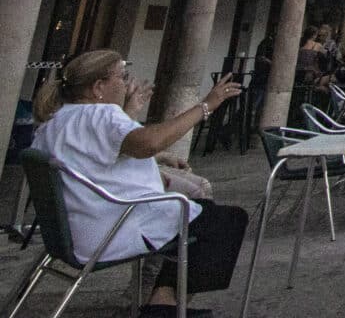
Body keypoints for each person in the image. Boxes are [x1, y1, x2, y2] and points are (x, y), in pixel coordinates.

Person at [32, 50, 248, 317]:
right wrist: (206, 106)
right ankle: (163, 307)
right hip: (110, 229)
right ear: (98, 87)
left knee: (202, 212)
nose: (126, 82)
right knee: (228, 222)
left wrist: (151, 169)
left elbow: (97, 162)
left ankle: (162, 303)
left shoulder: (55, 122)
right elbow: (148, 143)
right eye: (121, 77)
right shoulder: (103, 115)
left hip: (72, 232)